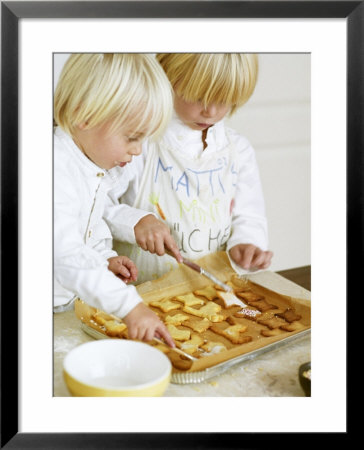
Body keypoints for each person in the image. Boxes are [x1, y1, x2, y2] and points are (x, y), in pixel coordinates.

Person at [106, 53, 273, 284]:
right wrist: (134, 221)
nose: (210, 111)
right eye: (198, 97)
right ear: (167, 78)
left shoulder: (238, 150)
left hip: (212, 295)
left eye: (223, 100)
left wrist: (246, 245)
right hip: (139, 297)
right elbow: (96, 207)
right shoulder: (139, 144)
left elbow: (249, 217)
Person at [53, 53, 179, 346]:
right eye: (133, 137)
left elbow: (87, 227)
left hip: (68, 304)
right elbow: (65, 254)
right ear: (84, 115)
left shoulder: (93, 165)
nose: (137, 151)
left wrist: (104, 259)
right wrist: (130, 307)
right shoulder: (53, 169)